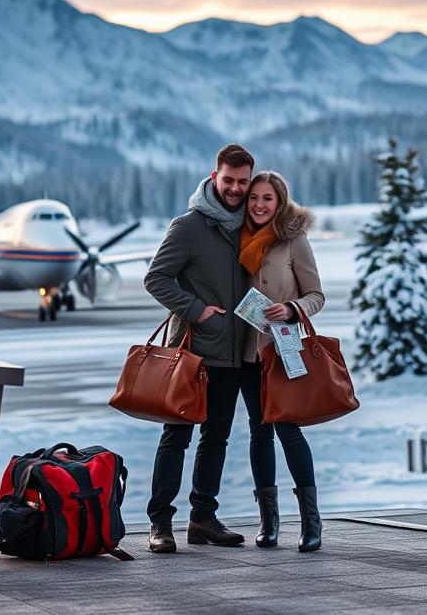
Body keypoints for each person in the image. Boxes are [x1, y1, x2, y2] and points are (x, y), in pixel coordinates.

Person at [143, 144, 254, 553]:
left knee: (217, 439)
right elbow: (156, 278)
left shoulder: (252, 230)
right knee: (176, 437)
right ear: (214, 177)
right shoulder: (188, 226)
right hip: (191, 355)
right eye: (229, 180)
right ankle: (160, 524)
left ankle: (202, 519)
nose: (235, 188)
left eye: (243, 182)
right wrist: (197, 311)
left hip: (233, 355)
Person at [238, 171, 325, 552]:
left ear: (280, 202)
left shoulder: (294, 240)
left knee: (288, 431)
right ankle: (268, 521)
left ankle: (311, 521)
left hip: (282, 350)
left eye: (267, 198)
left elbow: (317, 295)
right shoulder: (235, 238)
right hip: (244, 352)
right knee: (259, 433)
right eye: (253, 197)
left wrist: (292, 308)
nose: (258, 204)